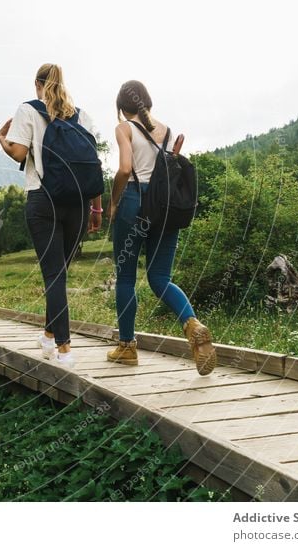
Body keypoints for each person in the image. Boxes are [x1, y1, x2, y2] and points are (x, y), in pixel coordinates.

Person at [107, 80, 216, 375]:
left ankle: (127, 346)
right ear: (148, 103)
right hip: (165, 207)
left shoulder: (124, 128)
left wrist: (113, 201)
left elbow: (125, 169)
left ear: (121, 107)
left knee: (126, 277)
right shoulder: (167, 131)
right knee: (160, 278)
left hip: (135, 202)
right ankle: (192, 322)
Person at [0, 63, 103, 368]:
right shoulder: (82, 116)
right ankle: (47, 335)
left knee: (54, 274)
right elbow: (92, 165)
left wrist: (2, 139)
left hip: (44, 200)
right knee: (58, 272)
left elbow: (18, 153)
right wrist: (96, 208)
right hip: (81, 203)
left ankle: (65, 350)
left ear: (37, 84)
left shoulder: (28, 110)